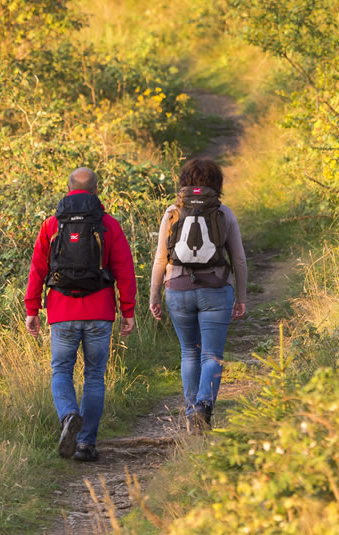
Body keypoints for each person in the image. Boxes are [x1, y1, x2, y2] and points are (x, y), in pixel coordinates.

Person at [24, 167, 138, 462]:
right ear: (96, 190)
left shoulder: (51, 225)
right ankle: (86, 444)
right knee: (95, 376)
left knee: (61, 371)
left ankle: (68, 416)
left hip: (62, 311)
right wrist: (128, 310)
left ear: (68, 187)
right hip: (100, 312)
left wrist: (32, 309)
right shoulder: (109, 224)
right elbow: (125, 270)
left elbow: (38, 268)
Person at [149, 157, 248, 430]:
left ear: (184, 182)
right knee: (212, 354)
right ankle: (204, 405)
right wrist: (241, 297)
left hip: (178, 291)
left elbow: (160, 259)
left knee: (189, 353)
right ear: (217, 184)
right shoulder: (224, 213)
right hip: (216, 290)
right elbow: (238, 260)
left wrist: (154, 296)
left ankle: (193, 411)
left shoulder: (172, 213)